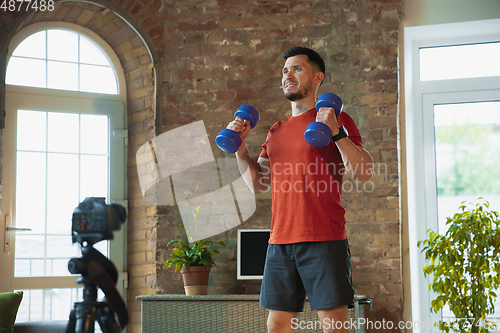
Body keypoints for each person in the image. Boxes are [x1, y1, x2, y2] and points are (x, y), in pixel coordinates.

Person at [226, 46, 373, 333]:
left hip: (323, 236)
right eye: (284, 71)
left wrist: (336, 133)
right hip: (280, 241)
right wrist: (240, 149)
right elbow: (258, 183)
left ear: (318, 77)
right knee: (277, 326)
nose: (288, 75)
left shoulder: (336, 119)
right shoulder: (276, 131)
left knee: (334, 327)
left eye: (297, 69)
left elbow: (364, 172)